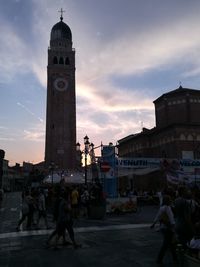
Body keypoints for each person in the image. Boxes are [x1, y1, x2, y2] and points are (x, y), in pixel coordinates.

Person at [150, 195, 177, 265]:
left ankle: (175, 258)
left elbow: (157, 216)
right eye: (170, 200)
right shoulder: (168, 208)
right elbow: (171, 219)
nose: (171, 201)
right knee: (167, 244)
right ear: (168, 201)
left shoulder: (162, 208)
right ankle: (160, 259)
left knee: (170, 244)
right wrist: (173, 228)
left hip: (163, 228)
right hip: (168, 228)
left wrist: (153, 224)